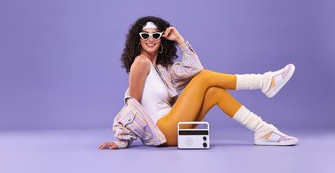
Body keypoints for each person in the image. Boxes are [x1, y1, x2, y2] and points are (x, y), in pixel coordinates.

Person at [98, 16, 298, 150]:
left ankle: (262, 130)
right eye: (145, 35)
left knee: (214, 92)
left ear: (161, 39)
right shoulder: (140, 63)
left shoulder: (162, 69)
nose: (151, 39)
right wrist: (122, 140)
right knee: (204, 80)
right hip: (165, 131)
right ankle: (264, 81)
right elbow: (132, 103)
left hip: (178, 124)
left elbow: (196, 68)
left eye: (156, 35)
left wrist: (179, 39)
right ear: (138, 39)